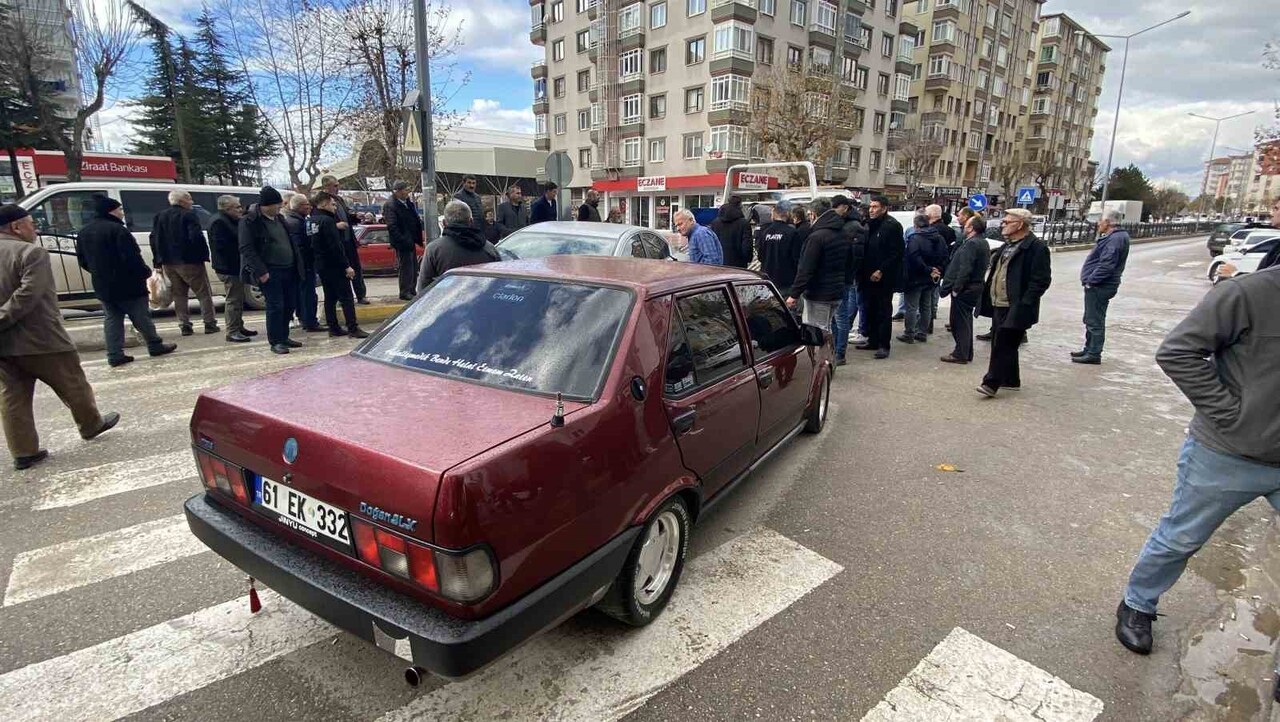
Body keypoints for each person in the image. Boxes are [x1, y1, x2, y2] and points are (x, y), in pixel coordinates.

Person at [1115, 263, 1280, 656]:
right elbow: (1178, 352)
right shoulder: (1247, 293)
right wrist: (1233, 416)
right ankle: (1138, 604)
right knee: (1181, 537)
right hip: (1227, 454)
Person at [0, 204, 119, 471]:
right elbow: (29, 294)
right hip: (41, 338)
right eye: (31, 223)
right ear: (16, 227)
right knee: (73, 383)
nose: (35, 228)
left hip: (4, 343)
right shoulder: (31, 253)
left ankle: (23, 451)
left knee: (13, 396)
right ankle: (91, 424)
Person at [75, 195, 177, 366]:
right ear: (111, 211)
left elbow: (83, 260)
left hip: (103, 284)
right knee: (141, 316)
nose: (122, 212)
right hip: (128, 283)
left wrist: (98, 272)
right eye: (120, 209)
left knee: (112, 319)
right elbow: (131, 257)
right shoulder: (118, 230)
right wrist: (144, 272)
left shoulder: (84, 232)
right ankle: (154, 344)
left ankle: (114, 354)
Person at [976, 208, 1052, 397]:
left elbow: (1041, 280)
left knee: (1003, 345)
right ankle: (1011, 380)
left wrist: (1025, 302)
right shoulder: (1007, 246)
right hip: (999, 303)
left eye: (1007, 222)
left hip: (1017, 305)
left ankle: (991, 383)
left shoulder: (1036, 248)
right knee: (1003, 342)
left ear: (1019, 225)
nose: (1002, 225)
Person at [239, 187, 304, 355]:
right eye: (277, 204)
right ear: (266, 205)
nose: (280, 207)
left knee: (289, 304)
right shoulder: (250, 221)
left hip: (289, 268)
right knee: (276, 306)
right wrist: (261, 271)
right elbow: (247, 248)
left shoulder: (279, 219)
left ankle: (284, 336)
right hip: (270, 270)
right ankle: (276, 341)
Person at [150, 189, 218, 336]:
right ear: (182, 201)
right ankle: (209, 323)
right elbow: (195, 237)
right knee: (203, 293)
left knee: (179, 295)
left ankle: (184, 325)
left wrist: (157, 261)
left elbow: (154, 238)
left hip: (168, 262)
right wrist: (203, 255)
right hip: (189, 260)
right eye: (189, 199)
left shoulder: (160, 216)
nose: (191, 202)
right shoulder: (189, 215)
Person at [308, 191, 369, 340]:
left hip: (321, 264)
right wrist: (346, 266)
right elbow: (335, 246)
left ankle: (333, 327)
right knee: (346, 297)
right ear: (324, 204)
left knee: (330, 296)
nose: (335, 208)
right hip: (335, 265)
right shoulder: (328, 221)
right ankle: (353, 327)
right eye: (333, 204)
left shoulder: (311, 220)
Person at [1073, 207, 1131, 365]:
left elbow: (1106, 265)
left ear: (1107, 221)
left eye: (1100, 220)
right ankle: (1089, 348)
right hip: (1101, 284)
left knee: (1095, 320)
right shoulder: (1116, 236)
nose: (1098, 223)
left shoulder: (1115, 239)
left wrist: (1091, 281)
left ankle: (1094, 353)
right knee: (1091, 318)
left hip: (1101, 285)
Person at [787, 198, 853, 329]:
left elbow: (806, 268)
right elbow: (850, 261)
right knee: (831, 328)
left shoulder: (816, 237)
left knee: (817, 332)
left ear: (813, 214)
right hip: (837, 290)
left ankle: (827, 344)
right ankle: (837, 344)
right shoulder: (843, 233)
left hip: (819, 293)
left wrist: (794, 294)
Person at [856, 195, 905, 359]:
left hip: (883, 277)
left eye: (875, 207)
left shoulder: (892, 226)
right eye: (870, 206)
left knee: (883, 311)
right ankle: (872, 340)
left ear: (884, 208)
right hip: (866, 275)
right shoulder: (868, 224)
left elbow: (897, 253)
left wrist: (881, 270)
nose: (871, 210)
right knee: (869, 309)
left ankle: (884, 345)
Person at [939, 215, 990, 364]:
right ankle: (966, 352)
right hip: (973, 287)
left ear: (971, 228)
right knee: (965, 321)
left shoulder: (972, 244)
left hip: (966, 289)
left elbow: (965, 268)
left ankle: (960, 354)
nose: (964, 227)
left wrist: (956, 288)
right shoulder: (981, 242)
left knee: (959, 322)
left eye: (967, 224)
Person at [209, 195, 259, 341]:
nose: (240, 210)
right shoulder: (219, 222)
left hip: (234, 266)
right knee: (233, 299)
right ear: (227, 208)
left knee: (239, 298)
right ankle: (232, 330)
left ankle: (238, 326)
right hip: (228, 267)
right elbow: (223, 247)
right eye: (237, 207)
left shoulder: (231, 220)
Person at [419, 200, 502, 287]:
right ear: (471, 221)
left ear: (444, 223)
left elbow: (423, 286)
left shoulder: (434, 249)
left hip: (448, 295)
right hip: (482, 294)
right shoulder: (490, 248)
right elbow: (500, 283)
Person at [318, 175, 368, 304]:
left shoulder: (339, 199)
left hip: (348, 240)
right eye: (335, 185)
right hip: (336, 242)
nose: (338, 188)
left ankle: (361, 295)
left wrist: (355, 217)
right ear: (326, 186)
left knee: (356, 268)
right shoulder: (320, 201)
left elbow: (346, 216)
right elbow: (318, 222)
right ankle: (343, 297)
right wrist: (335, 226)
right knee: (342, 270)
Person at [900, 213, 947, 344]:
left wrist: (928, 269)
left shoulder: (915, 238)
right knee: (926, 306)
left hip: (915, 278)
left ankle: (909, 333)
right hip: (931, 278)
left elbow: (913, 257)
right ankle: (922, 332)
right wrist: (937, 269)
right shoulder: (939, 238)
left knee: (911, 307)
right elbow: (945, 256)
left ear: (916, 225)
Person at [280, 193, 323, 333]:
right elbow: (300, 247)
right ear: (299, 206)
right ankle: (310, 321)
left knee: (303, 293)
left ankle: (306, 318)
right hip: (304, 264)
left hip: (303, 264)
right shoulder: (296, 223)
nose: (309, 207)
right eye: (306, 204)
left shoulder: (297, 220)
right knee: (307, 294)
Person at [383, 180, 426, 300]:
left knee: (413, 267)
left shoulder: (407, 203)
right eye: (406, 190)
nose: (408, 192)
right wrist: (402, 239)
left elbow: (413, 219)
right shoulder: (391, 205)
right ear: (398, 191)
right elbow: (392, 226)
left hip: (410, 240)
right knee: (406, 267)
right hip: (403, 242)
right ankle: (405, 291)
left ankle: (411, 290)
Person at [757, 202, 804, 301]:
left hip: (767, 280)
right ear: (787, 213)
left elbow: (760, 256)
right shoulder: (792, 233)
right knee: (788, 309)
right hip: (786, 281)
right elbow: (797, 259)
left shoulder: (765, 232)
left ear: (774, 213)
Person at [710, 195, 753, 269]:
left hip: (719, 264)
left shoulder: (715, 223)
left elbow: (711, 243)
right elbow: (746, 245)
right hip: (738, 265)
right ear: (740, 206)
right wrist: (748, 258)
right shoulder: (744, 223)